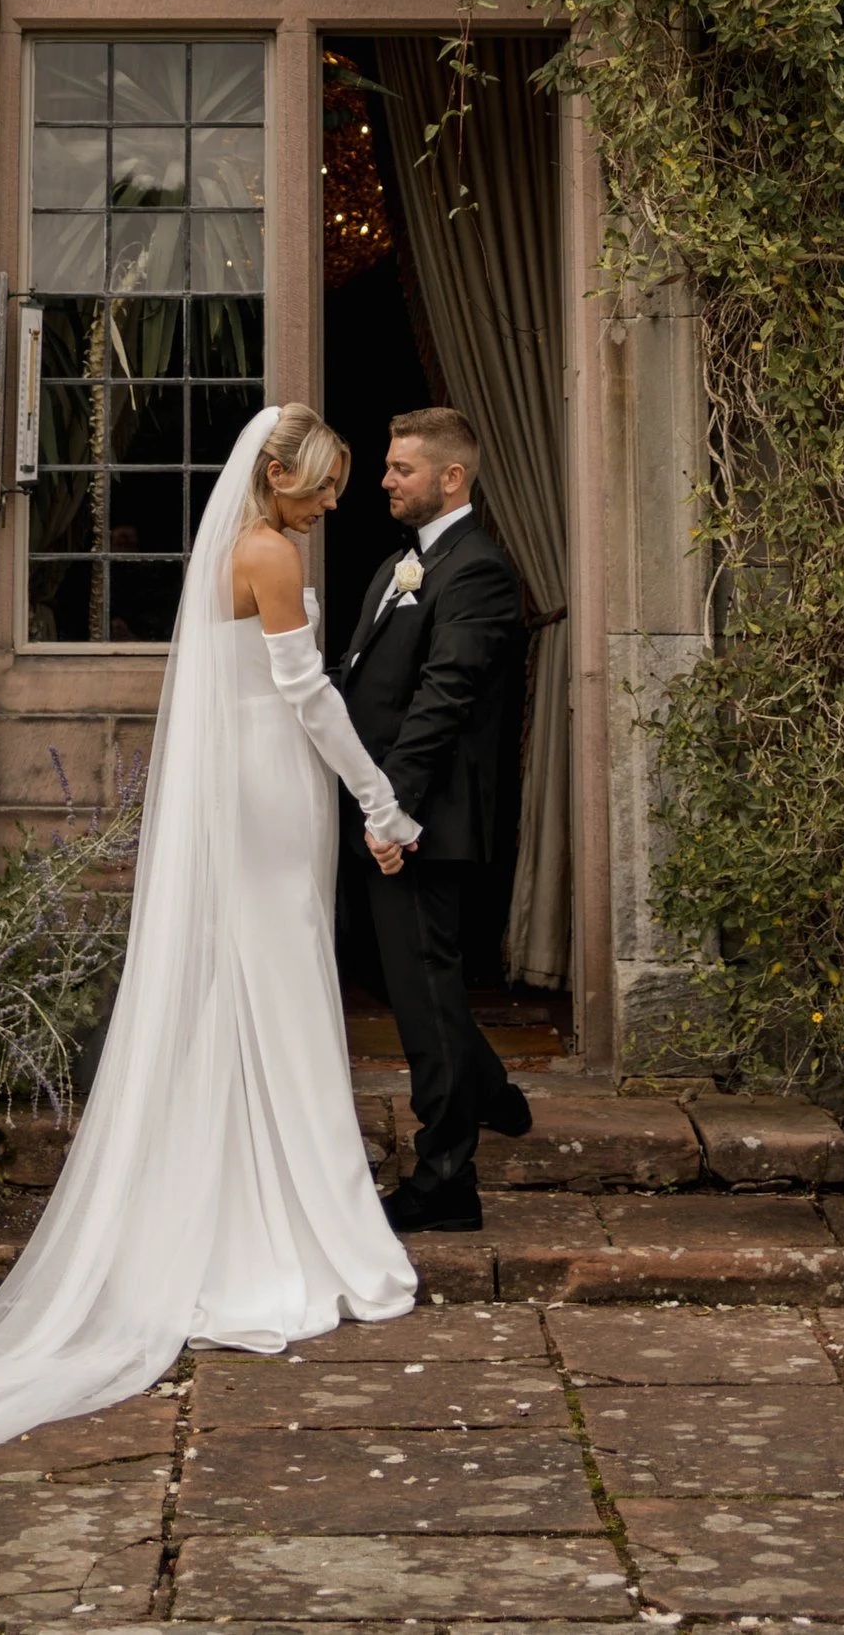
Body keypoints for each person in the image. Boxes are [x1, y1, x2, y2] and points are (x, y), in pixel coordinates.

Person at [0, 404, 419, 1447]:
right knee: (281, 984)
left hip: (253, 788)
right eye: (320, 489)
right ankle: (293, 1224)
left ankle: (254, 1196)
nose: (328, 509)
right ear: (277, 476)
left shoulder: (233, 543)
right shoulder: (265, 552)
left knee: (258, 987)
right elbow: (308, 699)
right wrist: (378, 800)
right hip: (272, 789)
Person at [337, 405, 532, 1235]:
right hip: (387, 810)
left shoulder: (478, 570)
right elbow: (362, 681)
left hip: (428, 819)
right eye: (387, 464)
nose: (384, 478)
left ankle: (447, 1177)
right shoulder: (397, 567)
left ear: (451, 477)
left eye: (401, 467)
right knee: (407, 980)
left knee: (423, 994)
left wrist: (395, 811)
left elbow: (442, 698)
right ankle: (487, 1089)